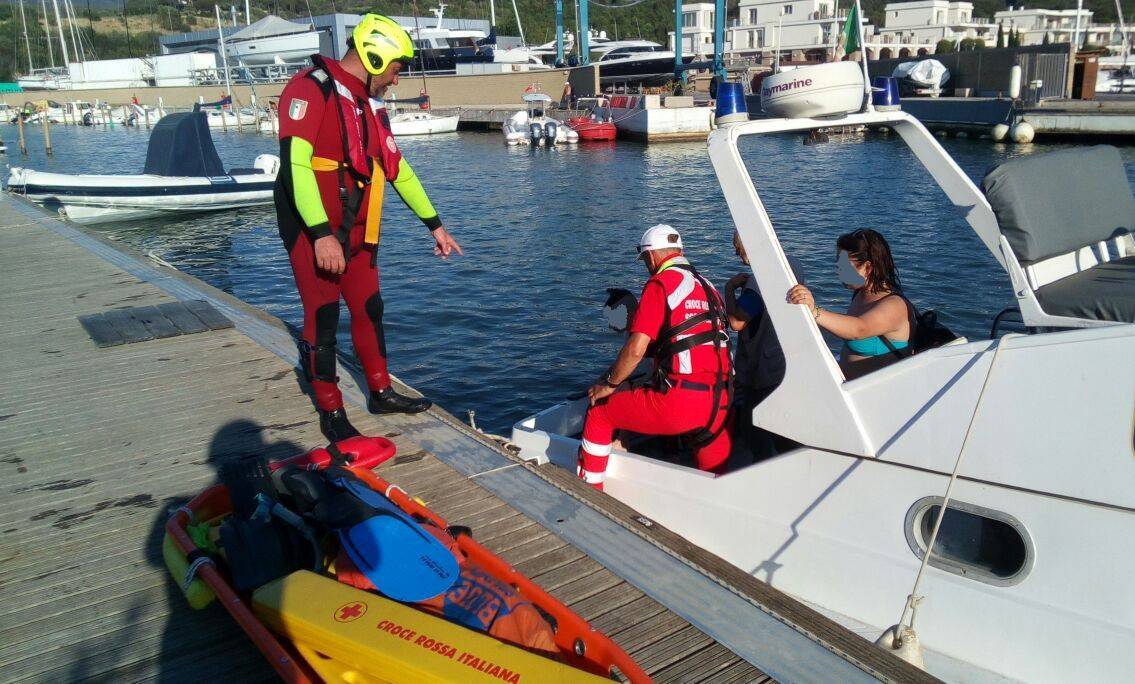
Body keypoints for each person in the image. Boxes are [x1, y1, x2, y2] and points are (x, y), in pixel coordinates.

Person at [275, 13, 463, 441]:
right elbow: (295, 166)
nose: (397, 81)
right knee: (323, 315)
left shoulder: (369, 103)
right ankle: (331, 409)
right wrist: (322, 234)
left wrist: (435, 225)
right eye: (396, 70)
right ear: (376, 58)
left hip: (360, 230)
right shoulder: (309, 88)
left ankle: (380, 391)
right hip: (315, 231)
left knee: (369, 308)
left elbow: (398, 169)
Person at [577, 225, 733, 490]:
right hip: (721, 401)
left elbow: (637, 349)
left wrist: (610, 384)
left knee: (600, 411)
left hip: (681, 402)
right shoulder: (708, 285)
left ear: (651, 256)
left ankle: (590, 493)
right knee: (717, 482)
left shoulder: (661, 283)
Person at [786, 229, 911, 379]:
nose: (838, 271)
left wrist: (814, 311)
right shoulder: (861, 294)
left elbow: (859, 329)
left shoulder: (894, 305)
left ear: (868, 268)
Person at [724, 231, 801, 466]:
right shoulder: (793, 264)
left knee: (756, 427)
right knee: (784, 428)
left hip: (760, 366)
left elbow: (736, 322)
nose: (738, 255)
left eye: (739, 248)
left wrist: (729, 289)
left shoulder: (761, 277)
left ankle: (760, 468)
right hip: (784, 357)